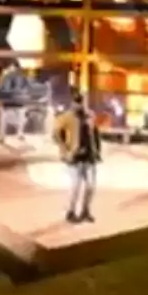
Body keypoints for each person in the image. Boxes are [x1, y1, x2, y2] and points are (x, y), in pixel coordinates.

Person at [53, 94, 102, 223]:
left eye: (80, 102)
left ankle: (85, 210)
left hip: (89, 156)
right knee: (75, 186)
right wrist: (65, 151)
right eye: (76, 102)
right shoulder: (66, 117)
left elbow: (95, 134)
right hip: (75, 157)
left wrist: (97, 151)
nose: (78, 105)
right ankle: (71, 211)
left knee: (91, 186)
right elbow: (56, 134)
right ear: (72, 103)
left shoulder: (89, 116)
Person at [0, 63, 30, 143]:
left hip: (13, 102)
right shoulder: (10, 77)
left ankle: (7, 135)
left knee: (14, 119)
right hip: (13, 102)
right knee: (8, 119)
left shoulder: (7, 76)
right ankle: (5, 136)